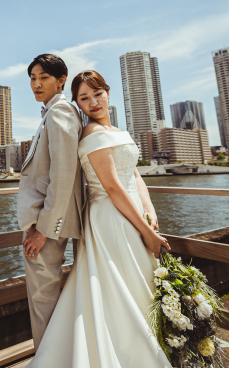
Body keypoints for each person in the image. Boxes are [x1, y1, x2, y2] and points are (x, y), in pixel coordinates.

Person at [28, 69, 171, 367]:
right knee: (115, 282)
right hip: (110, 217)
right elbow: (112, 187)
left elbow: (133, 174)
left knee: (136, 280)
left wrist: (150, 209)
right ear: (77, 104)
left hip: (131, 212)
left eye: (97, 94)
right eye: (84, 98)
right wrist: (146, 232)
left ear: (107, 93)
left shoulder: (119, 131)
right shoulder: (92, 134)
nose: (93, 102)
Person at [18, 54, 85, 350]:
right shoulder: (52, 112)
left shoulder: (60, 111)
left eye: (43, 77)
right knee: (45, 297)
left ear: (61, 81)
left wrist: (44, 228)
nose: (36, 83)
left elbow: (64, 172)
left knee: (42, 297)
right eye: (33, 78)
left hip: (46, 223)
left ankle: (48, 360)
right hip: (48, 220)